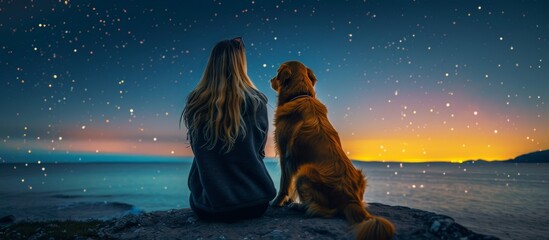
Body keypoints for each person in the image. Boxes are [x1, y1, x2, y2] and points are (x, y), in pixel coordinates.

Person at [181, 37, 276, 222]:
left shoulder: (195, 102)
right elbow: (259, 151)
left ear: (212, 64)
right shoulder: (256, 101)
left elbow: (198, 151)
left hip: (208, 206)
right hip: (254, 203)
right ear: (240, 64)